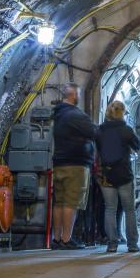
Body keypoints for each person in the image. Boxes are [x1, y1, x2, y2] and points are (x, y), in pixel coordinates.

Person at [51, 82, 96, 250]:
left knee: (59, 202)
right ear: (74, 96)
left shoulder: (58, 114)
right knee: (71, 202)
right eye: (77, 93)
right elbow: (94, 132)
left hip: (59, 163)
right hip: (76, 164)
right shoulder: (76, 115)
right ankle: (66, 239)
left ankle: (56, 239)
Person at [95, 100, 140, 253]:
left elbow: (98, 148)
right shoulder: (126, 130)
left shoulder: (100, 130)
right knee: (129, 210)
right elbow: (137, 146)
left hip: (106, 175)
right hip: (124, 175)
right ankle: (132, 245)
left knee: (110, 209)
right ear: (122, 113)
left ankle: (112, 244)